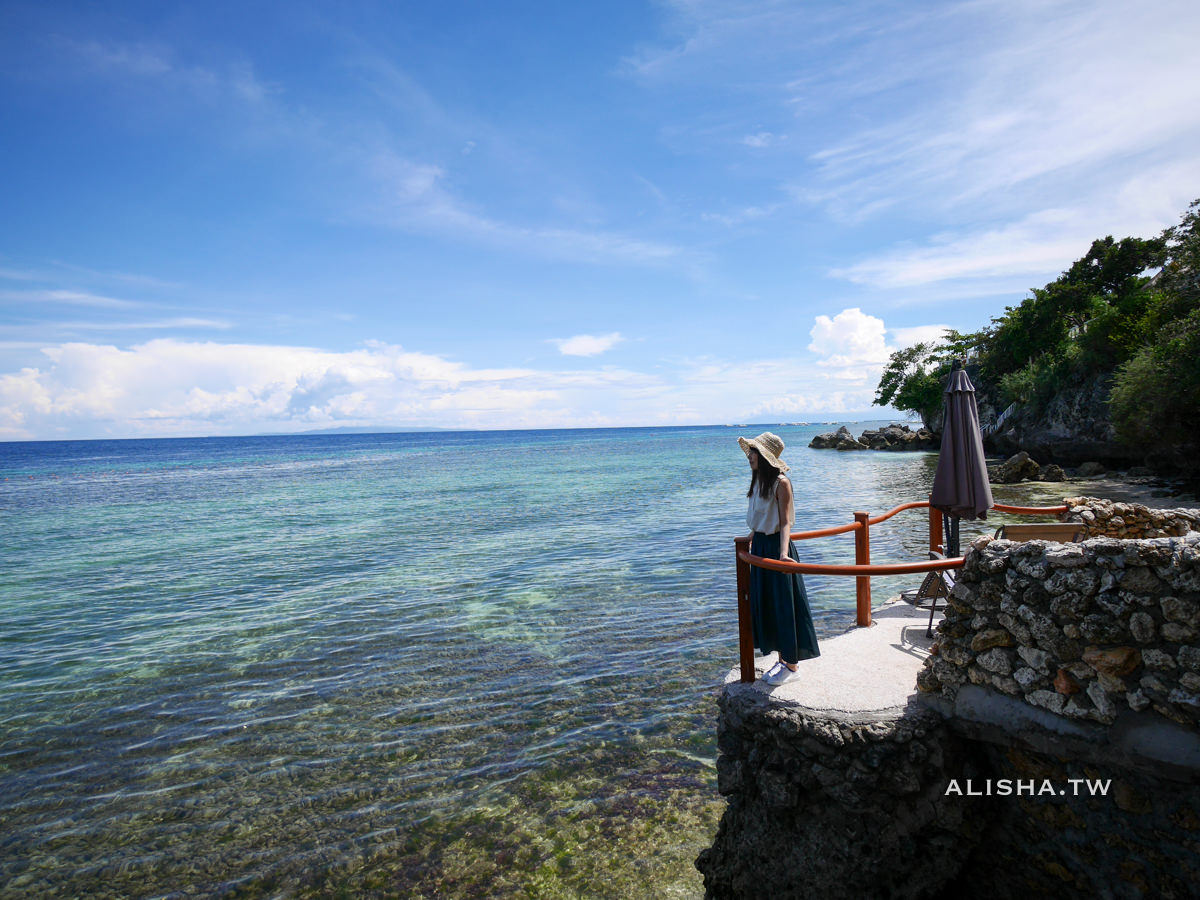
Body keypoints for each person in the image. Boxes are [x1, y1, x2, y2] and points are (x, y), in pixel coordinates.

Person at [739, 431, 820, 685]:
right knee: (767, 604)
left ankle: (792, 665)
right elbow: (761, 516)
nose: (749, 456)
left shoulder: (780, 483)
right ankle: (782, 659)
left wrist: (783, 554)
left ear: (764, 456)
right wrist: (750, 537)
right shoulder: (758, 480)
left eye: (753, 452)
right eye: (750, 451)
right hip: (760, 545)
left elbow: (785, 523)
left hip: (775, 547)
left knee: (785, 605)